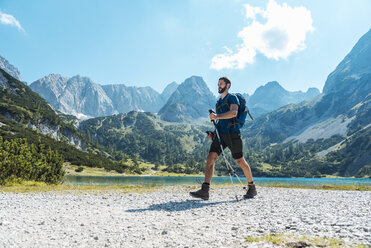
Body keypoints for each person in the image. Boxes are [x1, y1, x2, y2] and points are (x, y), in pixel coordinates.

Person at [190, 76, 257, 200]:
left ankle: (252, 187)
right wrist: (214, 134)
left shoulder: (232, 98)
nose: (219, 86)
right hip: (220, 135)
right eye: (218, 84)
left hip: (233, 134)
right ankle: (205, 190)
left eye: (221, 84)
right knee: (210, 158)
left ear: (228, 85)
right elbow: (221, 122)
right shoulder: (218, 102)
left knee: (240, 160)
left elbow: (233, 113)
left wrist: (217, 116)